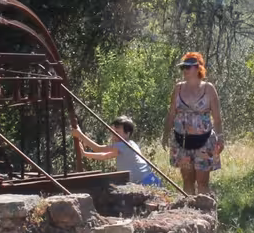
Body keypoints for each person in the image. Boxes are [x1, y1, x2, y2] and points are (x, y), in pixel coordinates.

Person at [165, 52, 223, 195]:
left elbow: (217, 117)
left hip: (204, 142)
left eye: (188, 67)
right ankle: (189, 212)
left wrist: (220, 138)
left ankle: (205, 213)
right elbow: (171, 113)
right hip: (182, 142)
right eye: (183, 67)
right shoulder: (178, 88)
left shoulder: (208, 88)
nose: (185, 70)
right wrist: (165, 134)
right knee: (187, 182)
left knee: (202, 182)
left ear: (198, 68)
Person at [73, 116, 161, 186]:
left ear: (127, 133)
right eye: (112, 132)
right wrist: (85, 154)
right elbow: (105, 156)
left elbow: (98, 148)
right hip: (147, 181)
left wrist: (80, 135)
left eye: (117, 132)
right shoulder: (128, 145)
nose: (114, 135)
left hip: (145, 182)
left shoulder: (124, 145)